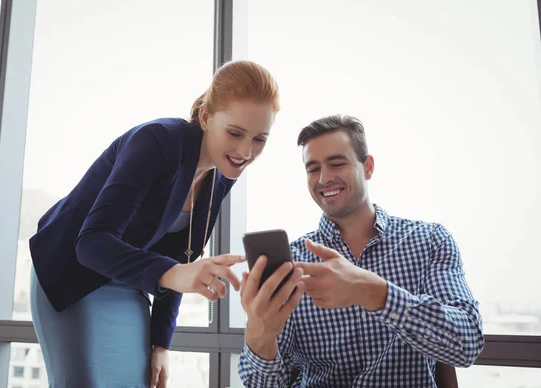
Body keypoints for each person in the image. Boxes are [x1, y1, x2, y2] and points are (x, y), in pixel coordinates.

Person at [29, 60, 279, 388]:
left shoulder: (221, 174)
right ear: (205, 117)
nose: (246, 151)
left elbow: (181, 257)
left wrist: (161, 342)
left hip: (130, 282)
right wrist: (175, 274)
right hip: (72, 276)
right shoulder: (157, 141)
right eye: (235, 133)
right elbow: (90, 243)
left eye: (259, 139)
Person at [238, 115, 484, 387]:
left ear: (368, 167)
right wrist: (260, 336)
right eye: (313, 168)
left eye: (337, 163)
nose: (323, 179)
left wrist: (374, 292)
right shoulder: (295, 263)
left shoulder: (429, 241)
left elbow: (467, 343)